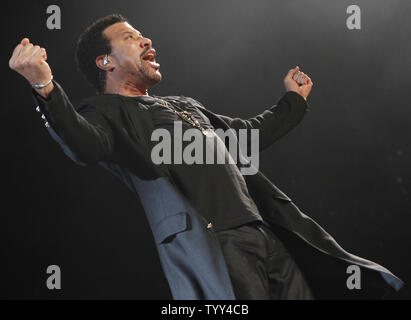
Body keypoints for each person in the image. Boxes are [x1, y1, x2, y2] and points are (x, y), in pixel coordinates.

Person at [9, 14, 403, 299]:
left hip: (266, 236)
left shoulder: (184, 104)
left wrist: (292, 102)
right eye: (131, 37)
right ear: (105, 61)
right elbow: (82, 144)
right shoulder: (105, 113)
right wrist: (45, 86)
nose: (147, 42)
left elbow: (245, 137)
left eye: (144, 36)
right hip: (216, 245)